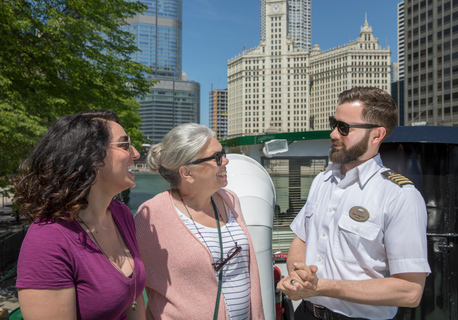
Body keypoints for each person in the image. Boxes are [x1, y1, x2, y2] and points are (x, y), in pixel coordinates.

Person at [277, 87, 431, 320]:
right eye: (334, 123)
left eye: (344, 128)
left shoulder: (399, 196)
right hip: (306, 314)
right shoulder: (323, 179)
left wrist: (322, 287)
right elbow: (301, 239)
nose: (333, 134)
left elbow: (410, 291)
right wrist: (298, 277)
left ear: (377, 135)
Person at [15, 110, 146, 320]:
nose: (136, 153)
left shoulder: (121, 214)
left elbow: (134, 298)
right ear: (91, 157)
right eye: (124, 144)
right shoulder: (48, 240)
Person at [134, 123, 265, 320]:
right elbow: (131, 286)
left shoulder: (230, 200)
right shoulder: (151, 215)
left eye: (224, 153)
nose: (226, 161)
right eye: (217, 157)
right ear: (186, 172)